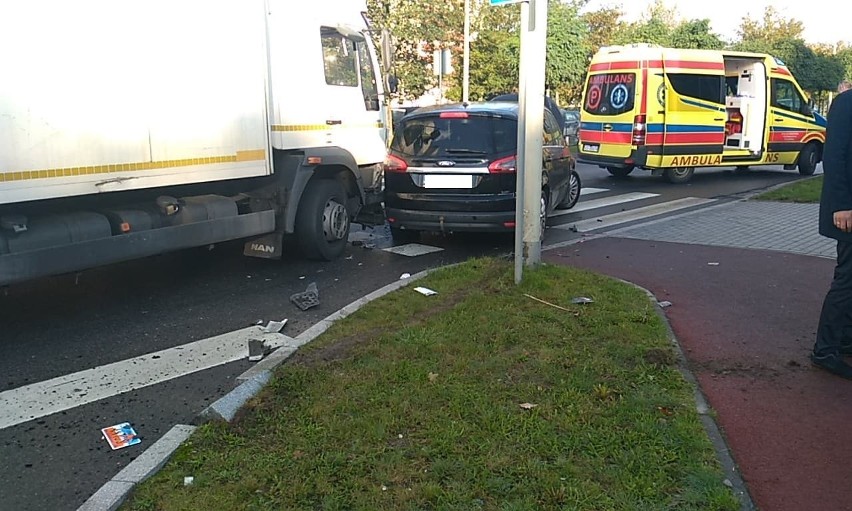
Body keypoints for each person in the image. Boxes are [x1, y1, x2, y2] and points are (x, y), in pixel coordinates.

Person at [811, 79, 852, 378]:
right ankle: (824, 351)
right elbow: (834, 157)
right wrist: (841, 205)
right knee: (847, 280)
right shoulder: (846, 104)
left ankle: (844, 338)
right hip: (848, 208)